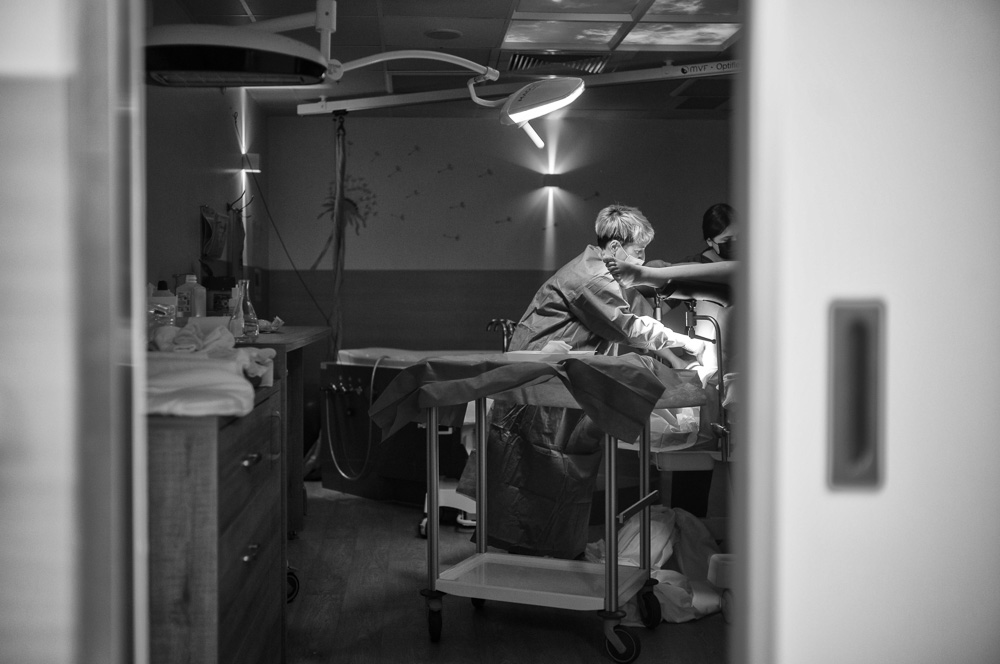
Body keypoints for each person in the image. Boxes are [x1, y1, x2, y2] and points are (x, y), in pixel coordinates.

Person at [455, 204, 715, 559]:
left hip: (553, 383)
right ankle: (509, 563)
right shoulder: (591, 278)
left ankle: (533, 560)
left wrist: (671, 352)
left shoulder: (597, 270)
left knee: (544, 476)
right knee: (527, 473)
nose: (640, 260)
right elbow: (627, 326)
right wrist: (685, 342)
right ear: (615, 247)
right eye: (638, 252)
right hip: (540, 385)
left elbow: (621, 324)